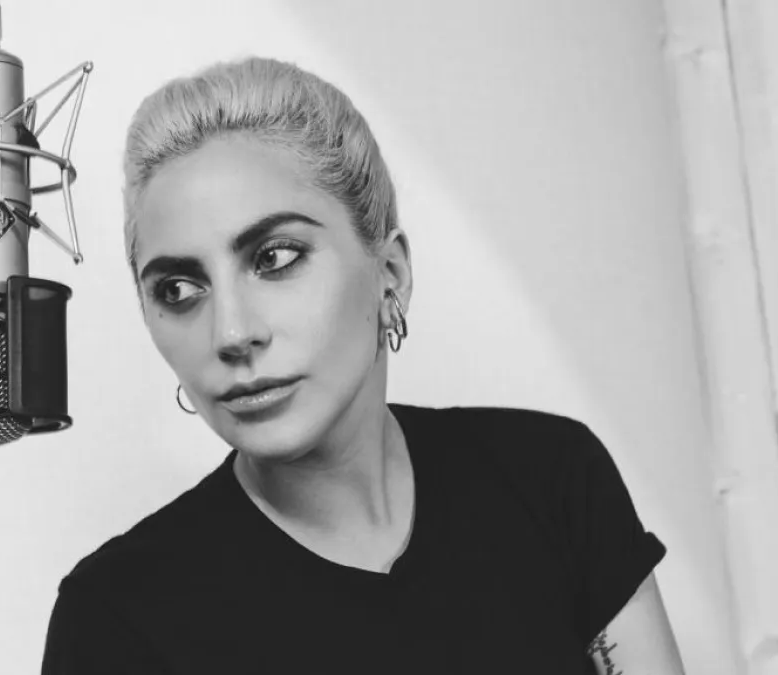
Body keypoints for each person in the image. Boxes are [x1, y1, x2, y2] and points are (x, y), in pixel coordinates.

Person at [40, 56, 685, 674]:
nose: (231, 333)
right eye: (179, 290)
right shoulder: (116, 618)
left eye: (274, 258)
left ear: (390, 274)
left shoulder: (549, 479)